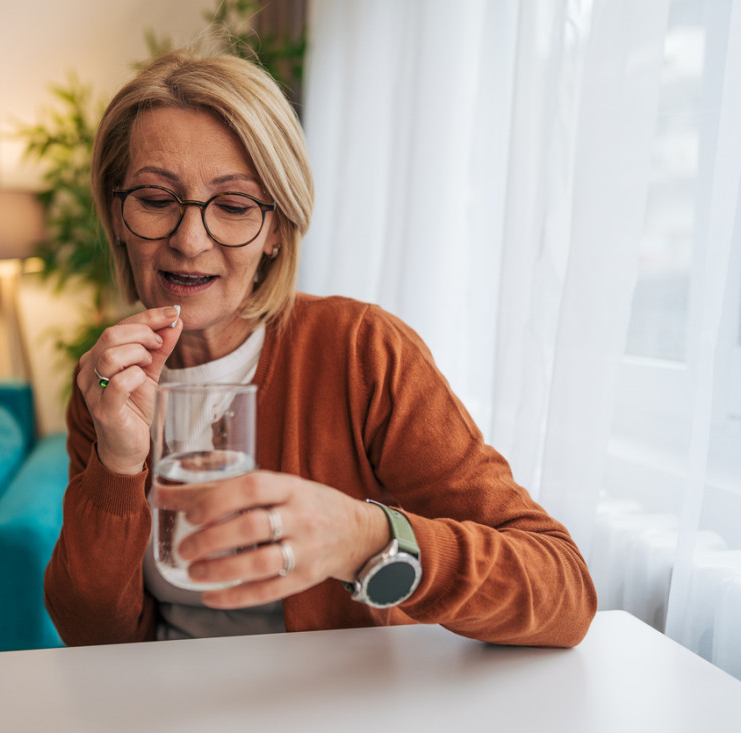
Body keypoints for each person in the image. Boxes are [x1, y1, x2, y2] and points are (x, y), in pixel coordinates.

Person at [44, 42, 597, 648]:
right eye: (155, 200)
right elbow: (93, 638)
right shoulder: (109, 383)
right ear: (118, 216)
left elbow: (563, 592)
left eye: (233, 206)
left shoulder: (361, 353)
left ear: (276, 230)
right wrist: (118, 466)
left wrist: (364, 538)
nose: (189, 239)